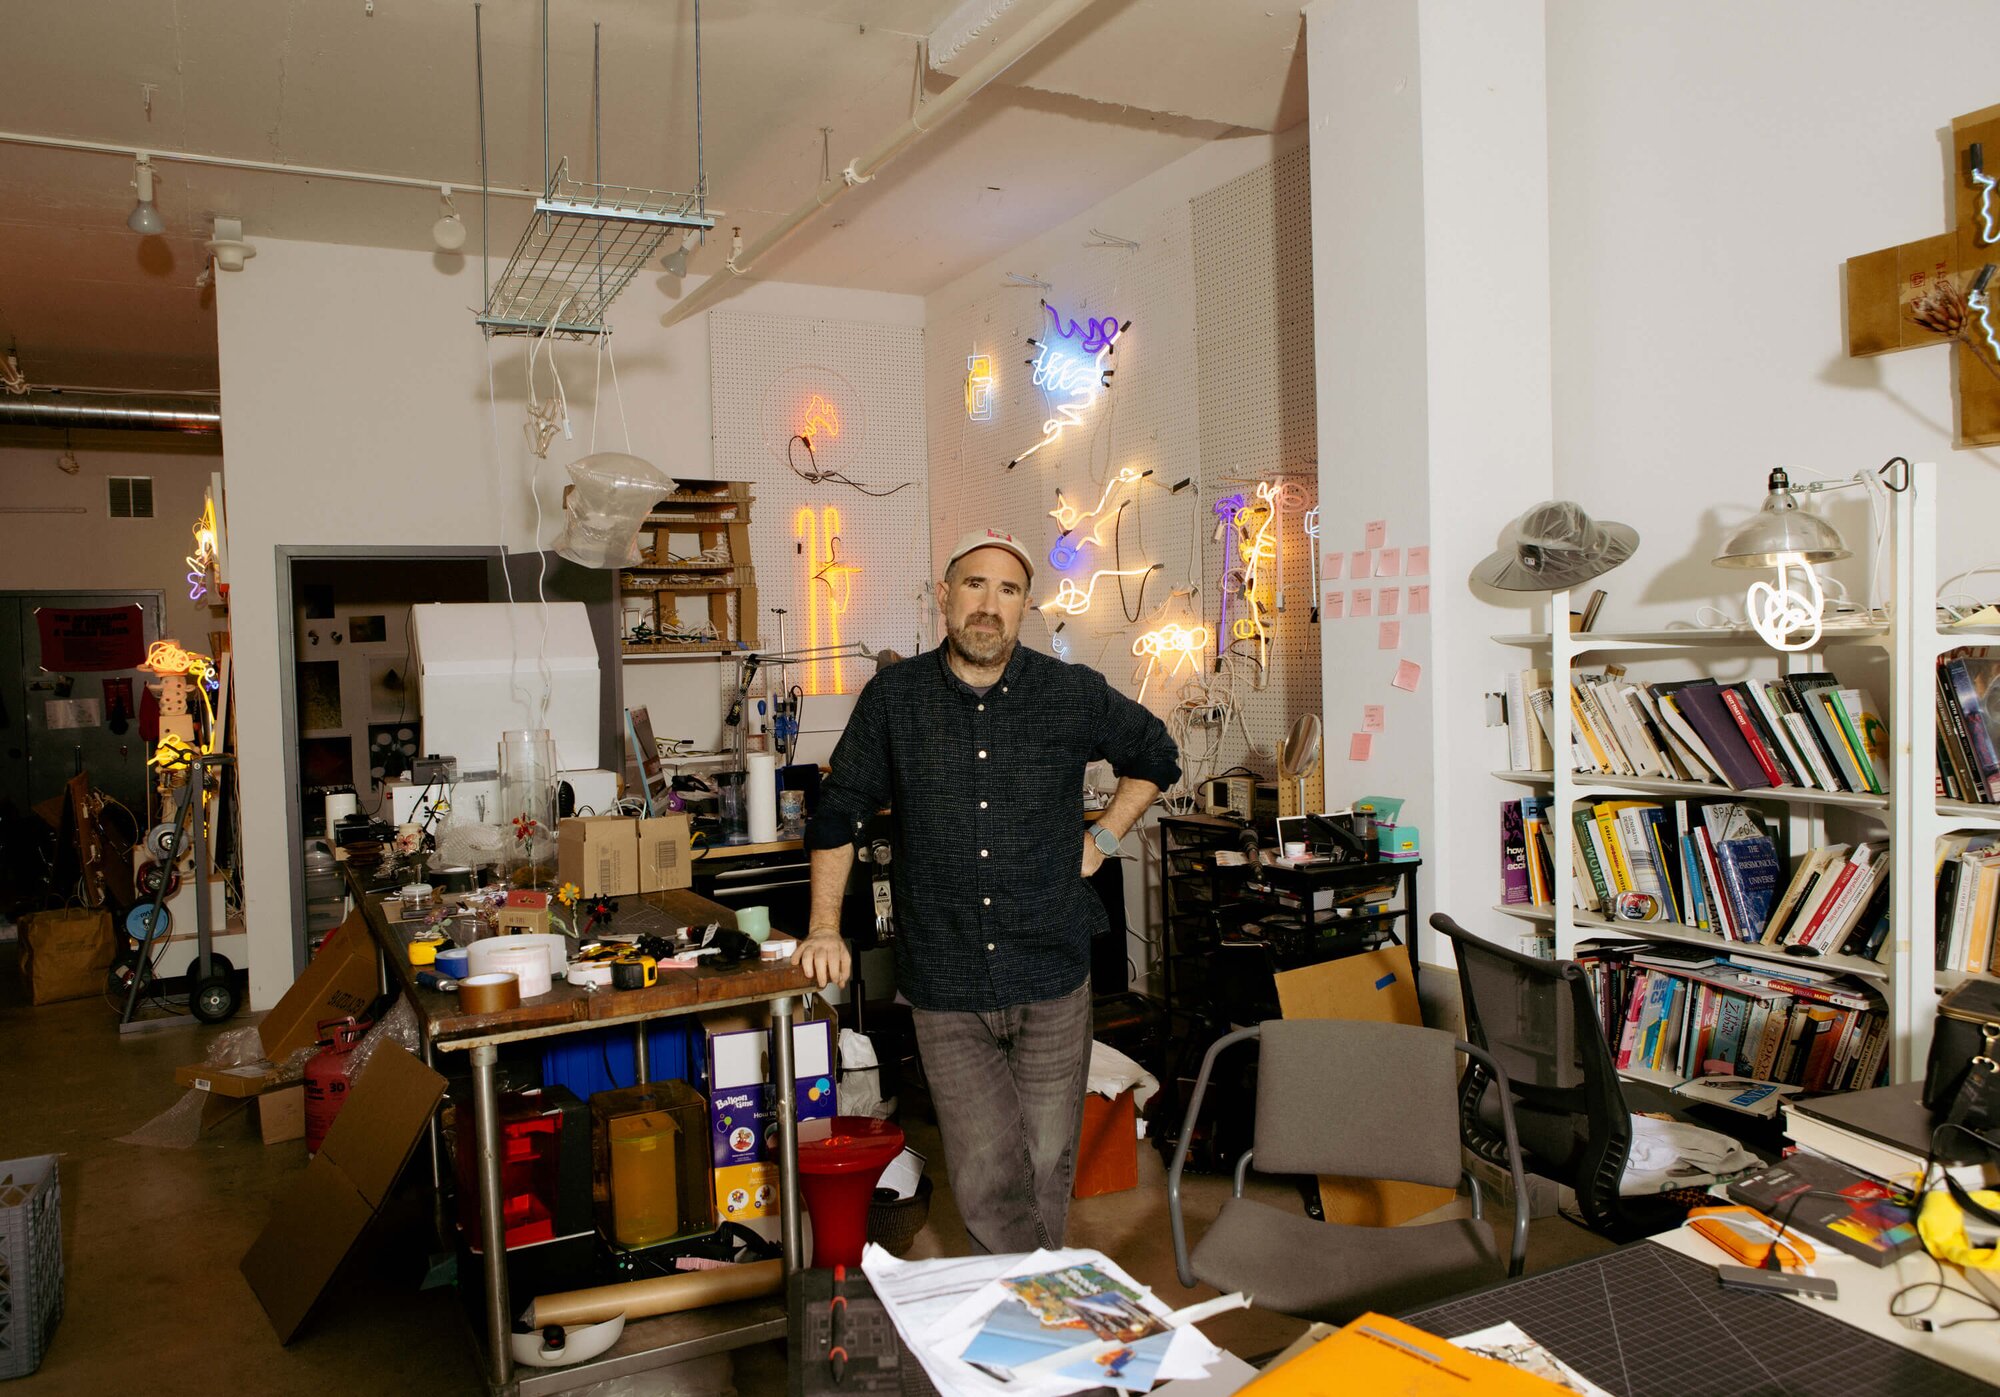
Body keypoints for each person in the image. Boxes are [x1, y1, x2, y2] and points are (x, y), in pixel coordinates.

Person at [798, 526, 1181, 1253]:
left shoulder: (1069, 692)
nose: (989, 604)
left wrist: (1102, 839)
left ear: (1025, 606)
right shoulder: (895, 698)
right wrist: (823, 926)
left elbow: (1156, 753)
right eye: (975, 583)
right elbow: (839, 810)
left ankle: (1022, 1303)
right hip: (945, 979)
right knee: (983, 1171)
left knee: (1045, 1160)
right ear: (944, 595)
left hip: (1052, 968)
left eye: (1008, 590)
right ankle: (1036, 1298)